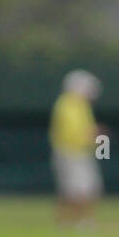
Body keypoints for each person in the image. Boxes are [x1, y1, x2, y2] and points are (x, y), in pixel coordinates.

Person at [49, 69, 104, 228]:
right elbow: (72, 132)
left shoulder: (79, 105)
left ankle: (75, 222)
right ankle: (73, 222)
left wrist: (94, 137)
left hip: (79, 152)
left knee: (83, 189)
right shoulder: (68, 104)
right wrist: (93, 135)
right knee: (76, 190)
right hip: (70, 153)